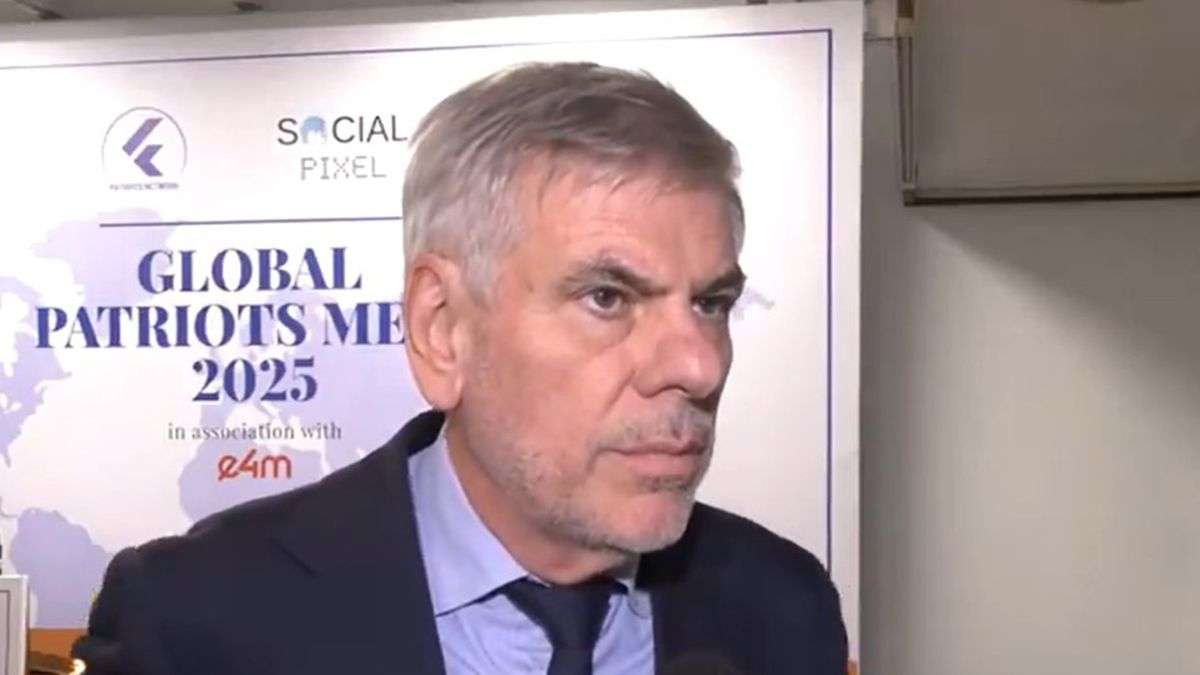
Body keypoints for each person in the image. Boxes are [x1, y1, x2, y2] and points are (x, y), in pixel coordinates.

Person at [73, 62, 847, 675]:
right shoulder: (195, 621)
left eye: (710, 302)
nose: (699, 365)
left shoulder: (783, 608)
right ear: (441, 329)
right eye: (608, 297)